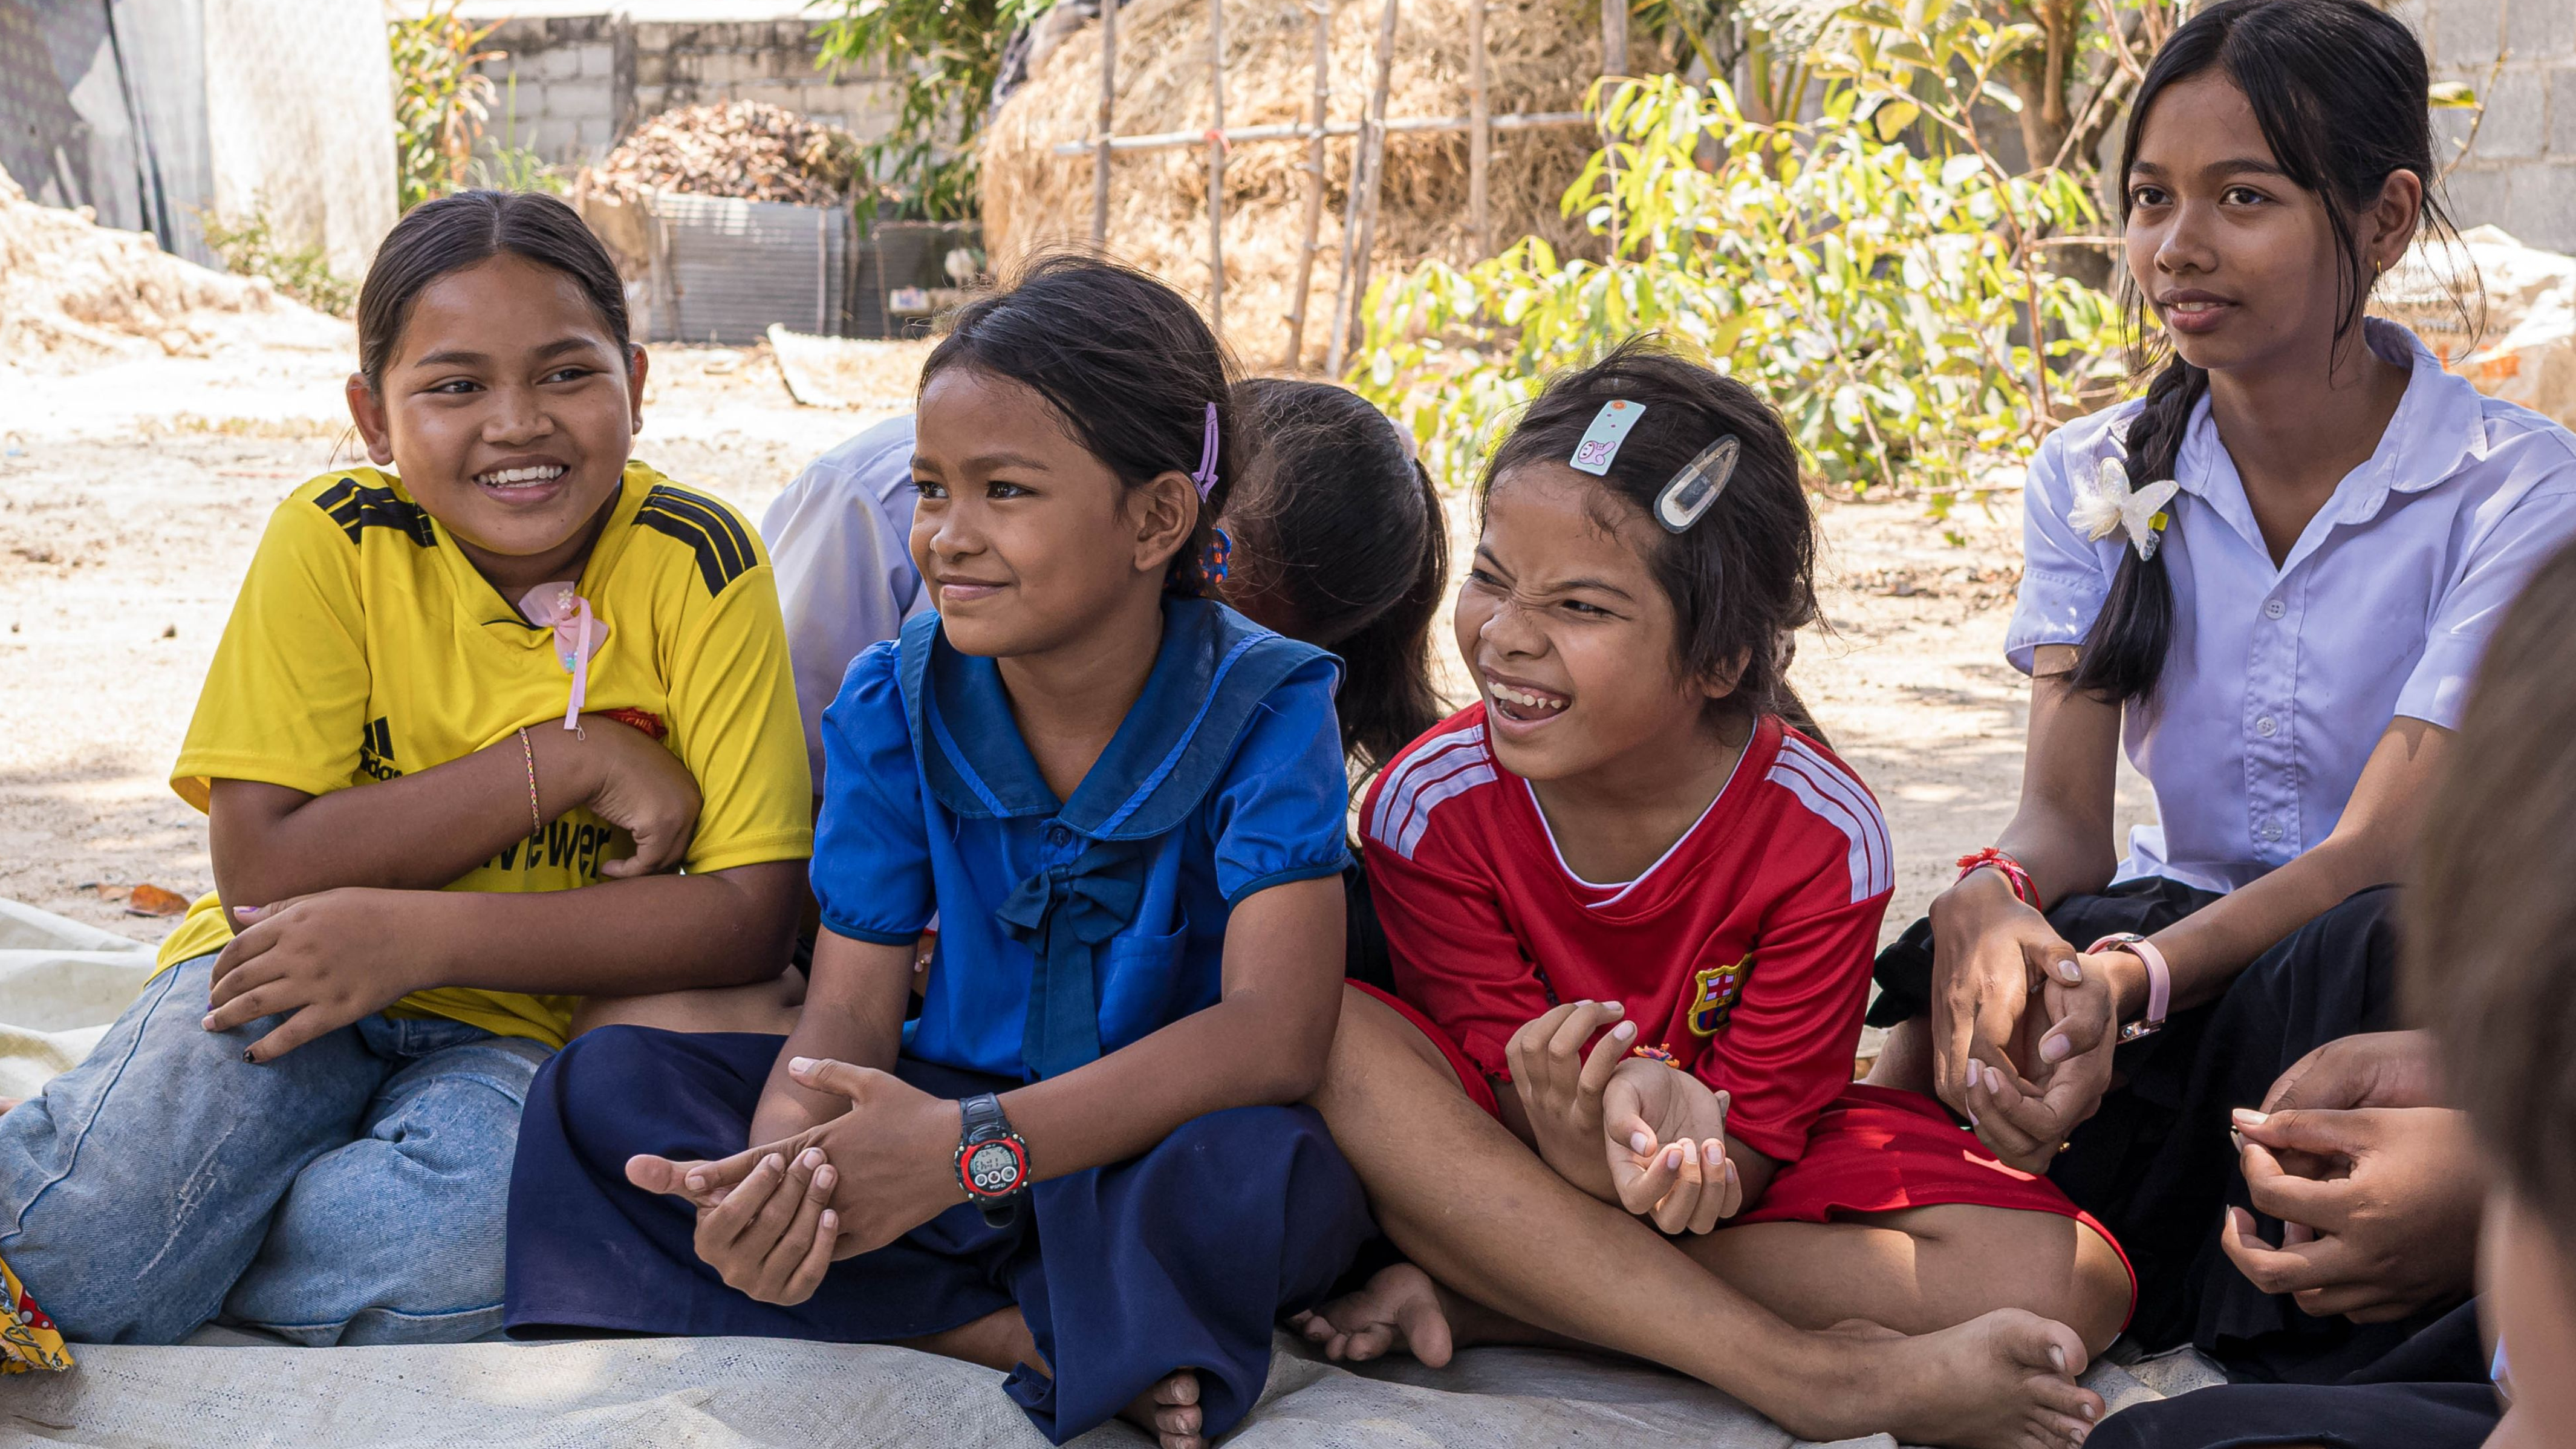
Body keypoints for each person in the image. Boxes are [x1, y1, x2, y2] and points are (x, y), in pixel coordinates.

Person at [501, 257, 1374, 1449]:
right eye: (929, 489)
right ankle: (1017, 1333)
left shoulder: (1273, 704)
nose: (947, 537)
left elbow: (1274, 1034)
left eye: (1005, 491)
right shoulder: (891, 701)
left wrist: (975, 1154)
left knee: (1276, 1178)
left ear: (1157, 518)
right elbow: (851, 1015)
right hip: (928, 1114)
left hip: (1136, 1138)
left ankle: (953, 1312)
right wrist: (787, 1178)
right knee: (600, 1091)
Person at [1861, 0, 2576, 1378]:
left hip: (2382, 967)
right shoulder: (2092, 473)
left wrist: (2124, 983)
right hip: (2172, 950)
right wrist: (1984, 907)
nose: (2173, 247)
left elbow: (2383, 846)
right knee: (1962, 970)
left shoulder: (2513, 487)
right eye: (2147, 199)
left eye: (2239, 197)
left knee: (2353, 942)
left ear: (2381, 220)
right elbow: (2058, 824)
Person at [0, 189, 812, 1346]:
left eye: (568, 374)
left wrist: (419, 939)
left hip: (523, 1029)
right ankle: (121, 1194)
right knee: (80, 1255)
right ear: (372, 418)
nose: (518, 422)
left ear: (638, 380)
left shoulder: (701, 560)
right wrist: (564, 760)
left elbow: (747, 917)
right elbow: (261, 870)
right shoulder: (332, 537)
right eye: (455, 385)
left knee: (469, 1259)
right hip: (287, 975)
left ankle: (171, 1217)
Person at [1295, 341, 2129, 1449]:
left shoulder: (1822, 837)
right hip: (1499, 1157)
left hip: (1695, 1184)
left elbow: (1760, 1141)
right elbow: (1487, 1108)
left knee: (2076, 1283)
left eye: (1582, 606)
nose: (1505, 637)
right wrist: (1574, 1136)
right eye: (1492, 575)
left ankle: (1505, 1302)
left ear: (1723, 658)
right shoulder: (1426, 807)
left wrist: (1688, 1158)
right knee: (1336, 1031)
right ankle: (1808, 1374)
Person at [757, 376, 1446, 790]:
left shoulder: (1278, 726)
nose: (1186, 646)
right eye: (1194, 589)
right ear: (1157, 517)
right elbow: (776, 789)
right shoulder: (870, 515)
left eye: (1242, 649)